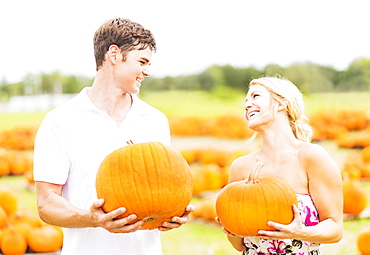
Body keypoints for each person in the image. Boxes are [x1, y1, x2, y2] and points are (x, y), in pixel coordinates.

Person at [33, 18, 194, 255]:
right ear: (114, 54)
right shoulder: (60, 121)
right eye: (142, 61)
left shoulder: (155, 120)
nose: (147, 71)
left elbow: (160, 192)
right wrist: (93, 219)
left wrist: (170, 214)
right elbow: (46, 203)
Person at [221, 76, 343, 254]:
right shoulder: (241, 167)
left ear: (281, 103)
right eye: (246, 100)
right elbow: (239, 245)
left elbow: (335, 229)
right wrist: (231, 230)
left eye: (255, 96)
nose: (246, 105)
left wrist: (301, 232)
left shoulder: (311, 157)